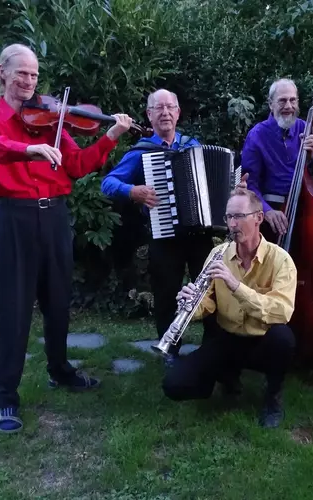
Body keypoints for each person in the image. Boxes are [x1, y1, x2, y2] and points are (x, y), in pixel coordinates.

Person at [0, 43, 134, 433]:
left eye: (34, 75)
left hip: (55, 216)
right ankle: (6, 398)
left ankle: (60, 370)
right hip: (14, 218)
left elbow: (76, 165)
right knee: (13, 309)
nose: (28, 82)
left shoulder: (52, 120)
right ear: (3, 72)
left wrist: (110, 135)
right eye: (21, 73)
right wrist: (27, 149)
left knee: (59, 302)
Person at [101, 89, 247, 364]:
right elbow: (108, 183)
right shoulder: (141, 152)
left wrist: (235, 187)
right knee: (166, 293)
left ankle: (212, 348)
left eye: (171, 107)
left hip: (200, 235)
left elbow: (218, 187)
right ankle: (170, 350)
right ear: (149, 115)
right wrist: (133, 191)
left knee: (211, 289)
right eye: (159, 108)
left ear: (178, 112)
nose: (165, 112)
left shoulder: (193, 145)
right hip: (164, 236)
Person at [162, 188, 298, 428]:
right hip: (226, 338)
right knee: (174, 385)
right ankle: (227, 376)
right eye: (229, 217)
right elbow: (208, 303)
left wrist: (236, 286)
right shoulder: (218, 254)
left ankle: (273, 397)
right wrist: (189, 304)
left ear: (258, 218)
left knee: (283, 338)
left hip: (262, 340)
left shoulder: (281, 260)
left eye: (239, 216)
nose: (232, 224)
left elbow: (282, 311)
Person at [240, 78, 313, 242]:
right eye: (282, 100)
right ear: (271, 104)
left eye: (292, 100)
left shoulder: (304, 127)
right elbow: (250, 184)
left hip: (304, 211)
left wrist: (312, 157)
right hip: (271, 213)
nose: (288, 106)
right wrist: (266, 211)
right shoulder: (256, 135)